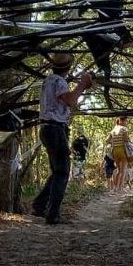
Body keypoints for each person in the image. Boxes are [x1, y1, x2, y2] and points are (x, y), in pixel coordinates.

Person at [30, 52, 93, 224]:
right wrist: (82, 84)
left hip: (48, 129)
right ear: (68, 67)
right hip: (54, 129)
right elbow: (70, 100)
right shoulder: (58, 81)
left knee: (57, 171)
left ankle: (39, 205)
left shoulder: (49, 81)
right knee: (63, 171)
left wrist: (81, 86)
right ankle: (52, 215)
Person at [107, 115, 133, 191]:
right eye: (126, 121)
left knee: (118, 170)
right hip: (122, 150)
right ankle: (121, 188)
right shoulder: (124, 129)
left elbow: (107, 140)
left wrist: (114, 141)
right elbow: (126, 139)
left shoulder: (113, 129)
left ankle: (115, 187)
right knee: (123, 170)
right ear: (123, 120)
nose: (126, 123)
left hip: (115, 151)